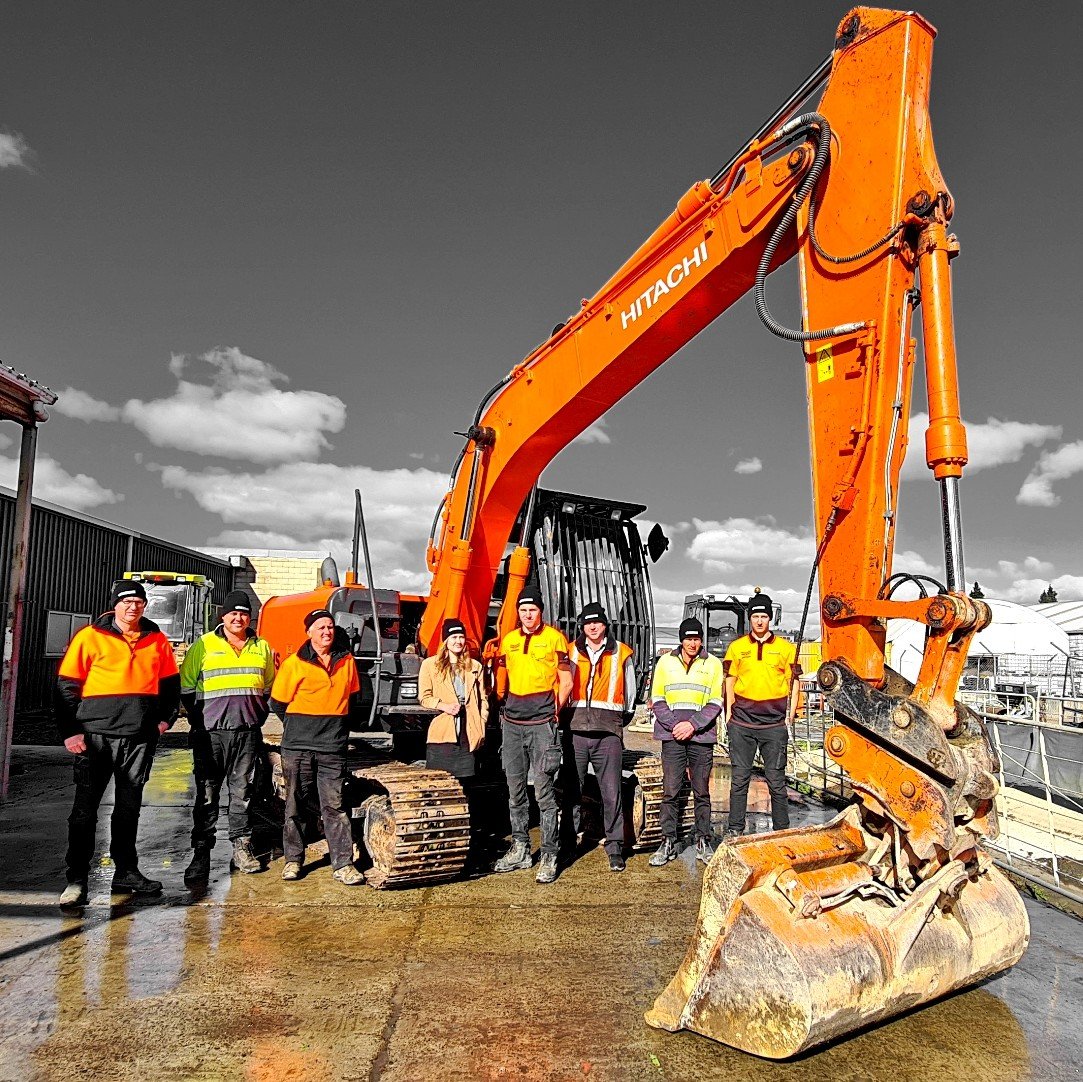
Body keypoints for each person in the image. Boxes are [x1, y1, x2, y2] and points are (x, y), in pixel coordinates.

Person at [55, 579, 180, 907]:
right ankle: (77, 880)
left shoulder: (157, 640)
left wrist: (165, 720)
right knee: (84, 811)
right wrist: (71, 731)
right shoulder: (90, 637)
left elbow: (170, 685)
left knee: (128, 809)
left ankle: (126, 871)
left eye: (138, 602)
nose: (133, 608)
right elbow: (67, 686)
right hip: (95, 738)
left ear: (144, 605)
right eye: (126, 602)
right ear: (115, 605)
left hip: (138, 739)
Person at [180, 590, 276, 885]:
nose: (238, 618)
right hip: (211, 735)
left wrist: (256, 717)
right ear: (223, 616)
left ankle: (241, 849)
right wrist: (199, 723)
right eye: (233, 613)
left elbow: (269, 686)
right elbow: (185, 685)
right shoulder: (205, 645)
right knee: (207, 795)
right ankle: (201, 854)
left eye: (244, 613)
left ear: (250, 618)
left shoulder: (262, 647)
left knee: (242, 794)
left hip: (246, 734)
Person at [268, 609, 363, 886]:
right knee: (295, 803)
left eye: (330, 627)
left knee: (335, 806)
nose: (326, 632)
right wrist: (300, 728)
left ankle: (343, 865)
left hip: (332, 747)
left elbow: (353, 699)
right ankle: (293, 860)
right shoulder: (294, 664)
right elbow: (277, 703)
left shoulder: (346, 662)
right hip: (298, 747)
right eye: (320, 627)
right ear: (308, 632)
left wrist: (337, 731)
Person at [492, 588, 572, 884]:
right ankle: (521, 848)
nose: (528, 614)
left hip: (542, 724)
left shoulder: (554, 639)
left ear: (540, 612)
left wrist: (554, 711)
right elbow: (502, 676)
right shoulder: (509, 641)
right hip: (512, 722)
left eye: (533, 610)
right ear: (518, 613)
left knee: (544, 791)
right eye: (523, 609)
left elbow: (566, 680)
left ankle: (550, 854)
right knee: (515, 791)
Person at [561, 603, 636, 873]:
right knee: (572, 790)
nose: (592, 627)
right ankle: (568, 842)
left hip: (608, 734)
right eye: (588, 623)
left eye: (597, 622)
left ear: (605, 625)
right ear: (582, 626)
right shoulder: (569, 650)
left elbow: (630, 695)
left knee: (611, 791)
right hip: (576, 730)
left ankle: (614, 846)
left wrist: (616, 723)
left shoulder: (622, 653)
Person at [723, 593, 800, 840]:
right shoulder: (737, 648)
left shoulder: (786, 649)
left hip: (774, 726)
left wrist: (792, 714)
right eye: (755, 616)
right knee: (739, 780)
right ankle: (735, 829)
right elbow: (729, 681)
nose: (759, 621)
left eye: (763, 616)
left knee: (777, 782)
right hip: (742, 724)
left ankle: (781, 831)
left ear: (770, 618)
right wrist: (727, 716)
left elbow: (794, 683)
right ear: (749, 618)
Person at [648, 617, 724, 867]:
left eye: (696, 638)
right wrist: (675, 726)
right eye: (688, 638)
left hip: (701, 737)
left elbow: (716, 701)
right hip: (672, 737)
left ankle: (703, 839)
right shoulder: (665, 663)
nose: (693, 643)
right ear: (681, 640)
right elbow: (657, 698)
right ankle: (668, 840)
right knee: (670, 790)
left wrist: (692, 724)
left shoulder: (713, 664)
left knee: (701, 791)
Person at [418, 618, 488, 780]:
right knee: (440, 781)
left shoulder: (475, 667)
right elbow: (424, 697)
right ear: (446, 640)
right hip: (443, 730)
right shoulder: (430, 665)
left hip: (468, 730)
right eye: (454, 637)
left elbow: (482, 698)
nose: (458, 641)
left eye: (461, 637)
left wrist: (481, 721)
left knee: (466, 781)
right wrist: (443, 706)